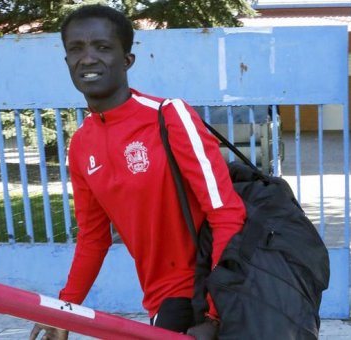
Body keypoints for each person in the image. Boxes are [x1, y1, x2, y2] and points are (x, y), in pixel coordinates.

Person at [29, 4, 246, 340]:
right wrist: (65, 309)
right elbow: (93, 237)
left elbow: (226, 214)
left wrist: (215, 315)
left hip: (199, 294)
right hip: (159, 299)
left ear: (127, 59)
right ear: (67, 62)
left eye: (102, 47)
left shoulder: (169, 116)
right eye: (76, 49)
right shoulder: (82, 144)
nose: (87, 58)